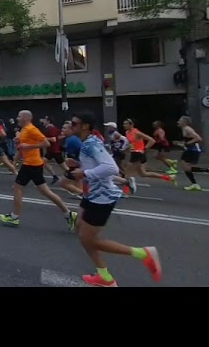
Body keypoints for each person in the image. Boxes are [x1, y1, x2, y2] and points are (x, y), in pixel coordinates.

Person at [68, 111, 162, 287]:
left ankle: (143, 253)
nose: (70, 126)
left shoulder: (91, 144)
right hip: (91, 195)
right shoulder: (89, 142)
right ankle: (103, 276)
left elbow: (111, 168)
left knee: (90, 239)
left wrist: (84, 172)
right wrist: (79, 165)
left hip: (101, 198)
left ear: (84, 126)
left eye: (74, 124)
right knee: (81, 233)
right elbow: (99, 165)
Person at [0, 110, 77, 231]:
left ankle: (14, 217)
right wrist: (19, 143)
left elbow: (45, 143)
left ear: (25, 118)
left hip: (32, 164)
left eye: (19, 116)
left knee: (17, 188)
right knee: (45, 192)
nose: (17, 118)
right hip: (32, 163)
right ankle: (69, 214)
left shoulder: (31, 129)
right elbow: (25, 145)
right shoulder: (24, 129)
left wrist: (28, 146)